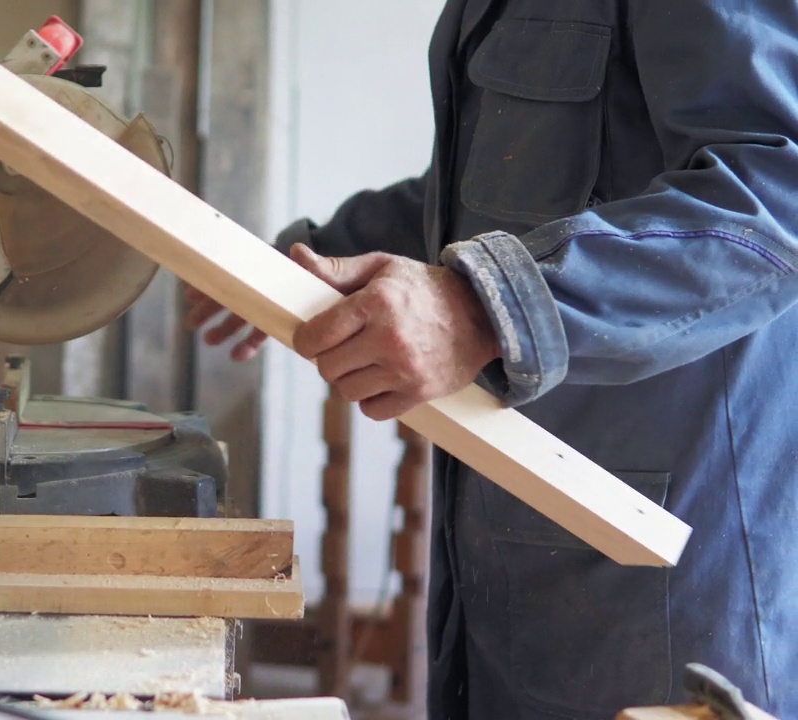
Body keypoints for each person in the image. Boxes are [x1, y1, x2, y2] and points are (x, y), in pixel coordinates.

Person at [187, 2, 798, 718]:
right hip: (514, 555)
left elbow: (774, 193)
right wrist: (315, 256)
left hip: (667, 577)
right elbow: (494, 197)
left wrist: (479, 308)